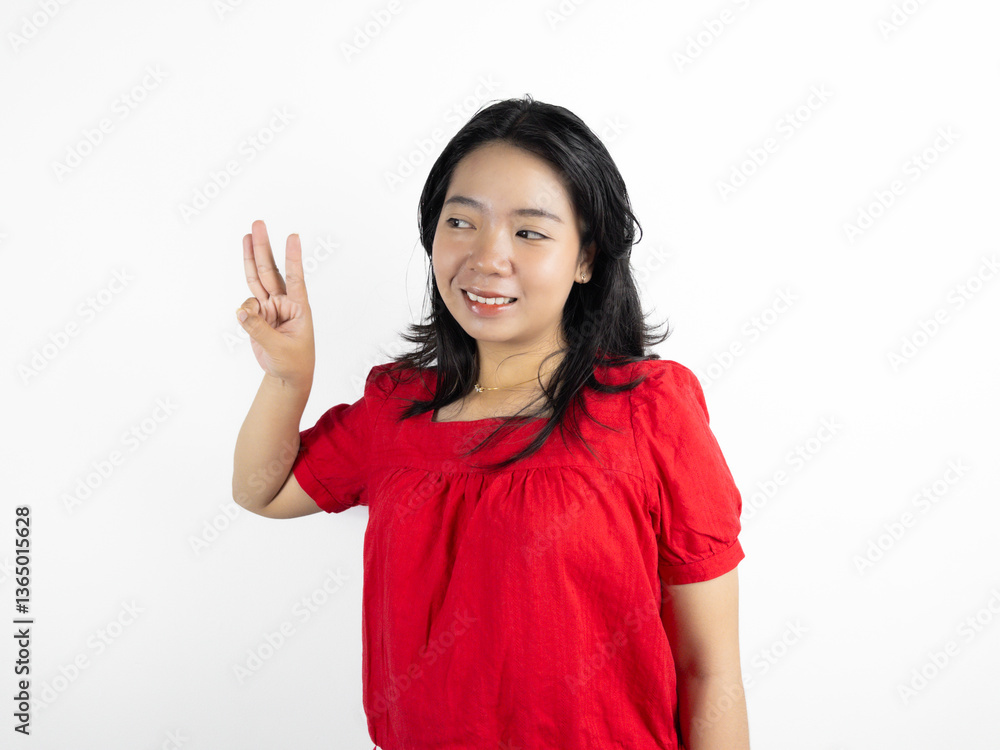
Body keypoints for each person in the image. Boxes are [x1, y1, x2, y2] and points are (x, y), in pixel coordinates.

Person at [232, 94, 750, 750]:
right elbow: (262, 491)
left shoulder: (650, 412)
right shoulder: (394, 409)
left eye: (529, 232)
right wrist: (288, 380)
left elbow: (709, 671)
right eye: (461, 222)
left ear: (586, 258)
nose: (486, 257)